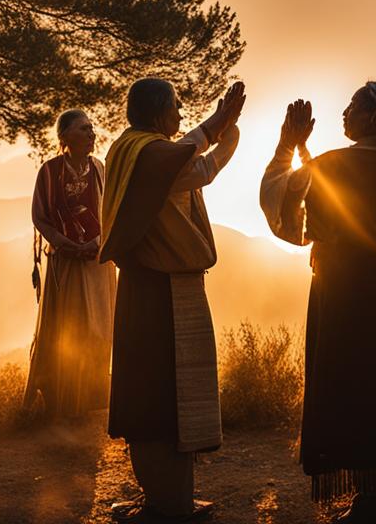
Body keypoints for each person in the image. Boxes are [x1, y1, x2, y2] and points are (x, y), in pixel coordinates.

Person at [261, 83, 376, 524]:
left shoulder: (335, 164)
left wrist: (287, 146)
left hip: (346, 296)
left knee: (356, 390)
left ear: (374, 118)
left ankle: (371, 503)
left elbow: (281, 209)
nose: (342, 114)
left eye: (351, 108)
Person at [102, 79, 245, 522]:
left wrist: (224, 133)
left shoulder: (146, 153)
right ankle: (164, 502)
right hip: (152, 291)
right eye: (177, 108)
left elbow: (195, 169)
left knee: (178, 402)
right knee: (155, 400)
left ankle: (174, 499)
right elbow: (190, 165)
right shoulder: (140, 152)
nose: (181, 117)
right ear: (160, 112)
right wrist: (220, 127)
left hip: (174, 286)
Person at [23, 109, 116, 418]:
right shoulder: (49, 172)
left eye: (91, 128)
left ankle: (91, 401)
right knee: (64, 329)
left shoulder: (100, 169)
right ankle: (61, 404)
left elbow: (111, 212)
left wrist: (97, 243)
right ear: (65, 137)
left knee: (97, 329)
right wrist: (64, 243)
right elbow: (40, 217)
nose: (91, 134)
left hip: (97, 263)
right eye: (83, 129)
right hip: (64, 263)